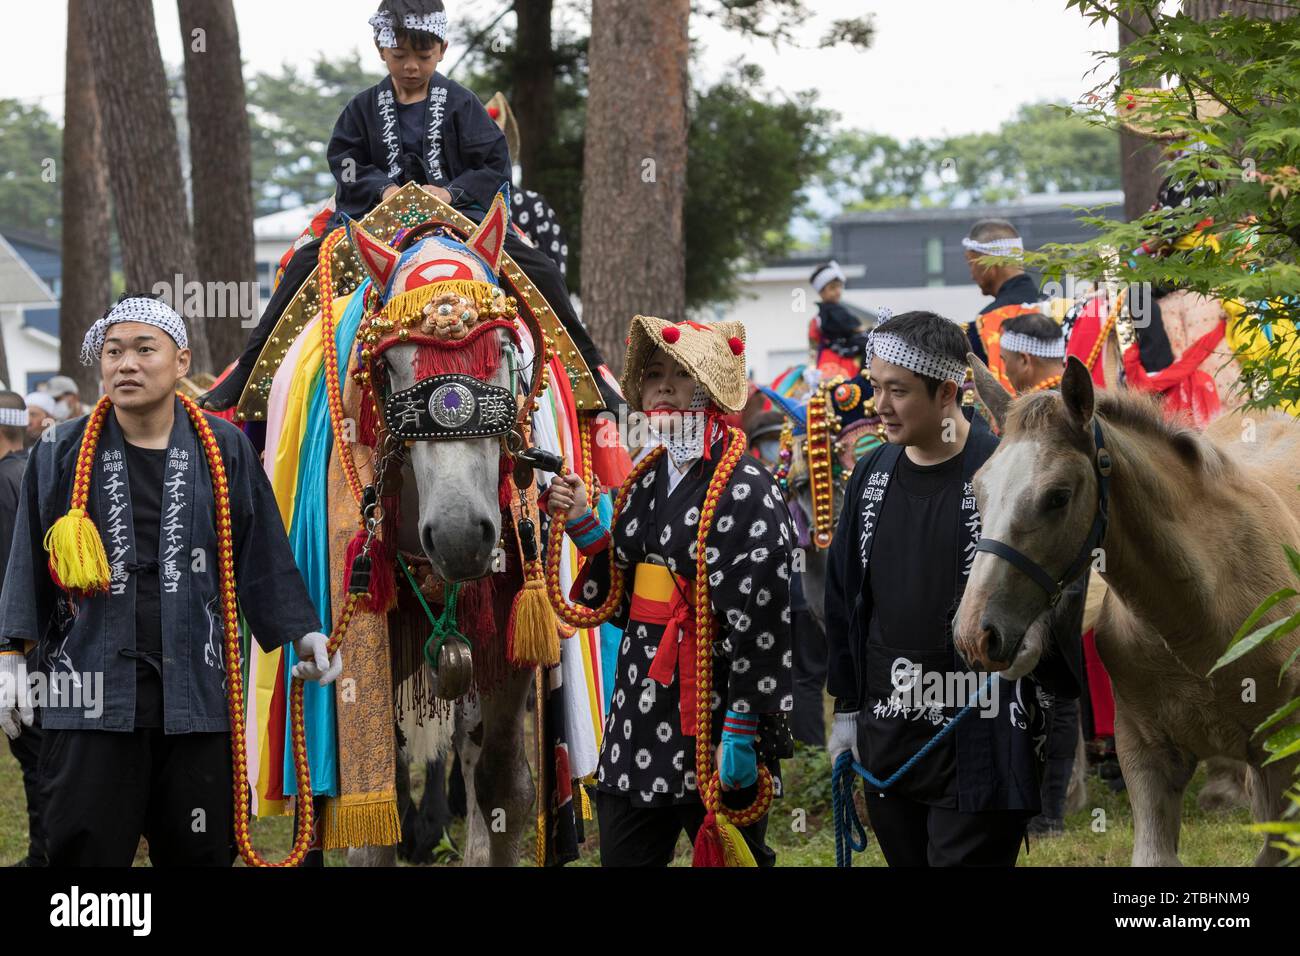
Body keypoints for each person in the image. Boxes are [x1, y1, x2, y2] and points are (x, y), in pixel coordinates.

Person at [0, 293, 341, 867]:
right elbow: (26, 564)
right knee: (83, 852)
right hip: (86, 692)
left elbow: (262, 553)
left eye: (143, 350)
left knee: (201, 850)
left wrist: (301, 631)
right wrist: (10, 657)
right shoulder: (59, 448)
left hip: (198, 696)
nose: (125, 364)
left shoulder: (223, 447)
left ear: (181, 362)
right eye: (113, 352)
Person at [199, 0, 618, 417]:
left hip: (460, 221)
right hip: (377, 220)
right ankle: (249, 371)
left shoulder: (462, 104)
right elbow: (343, 161)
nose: (412, 66)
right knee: (305, 263)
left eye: (424, 56)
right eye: (400, 56)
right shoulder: (361, 108)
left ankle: (592, 374)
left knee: (539, 267)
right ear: (381, 50)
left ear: (443, 49)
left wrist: (451, 193)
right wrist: (380, 189)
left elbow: (494, 166)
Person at [824, 310, 1080, 866]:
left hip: (981, 727)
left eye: (898, 390)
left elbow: (1057, 581)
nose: (880, 406)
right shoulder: (873, 475)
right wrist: (848, 711)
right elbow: (845, 596)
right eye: (876, 387)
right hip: (891, 722)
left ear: (947, 392)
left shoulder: (1001, 468)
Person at [547, 317, 794, 866]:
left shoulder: (748, 485)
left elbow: (764, 618)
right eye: (653, 374)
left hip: (713, 710)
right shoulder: (646, 475)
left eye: (678, 375)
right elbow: (623, 601)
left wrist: (742, 725)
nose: (660, 386)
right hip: (639, 707)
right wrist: (585, 521)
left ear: (707, 390)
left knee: (732, 856)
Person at [0, 392, 42, 865]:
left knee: (34, 757)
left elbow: (9, 575)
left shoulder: (3, 480)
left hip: (19, 648)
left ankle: (44, 855)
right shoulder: (26, 470)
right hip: (35, 642)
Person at [808, 261, 871, 378]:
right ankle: (865, 379)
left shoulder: (823, 311)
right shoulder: (833, 310)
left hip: (837, 346)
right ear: (821, 292)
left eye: (839, 287)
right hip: (842, 346)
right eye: (832, 288)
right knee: (870, 345)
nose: (837, 291)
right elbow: (856, 328)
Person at [998, 312, 1066, 395]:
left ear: (1024, 360)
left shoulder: (1045, 405)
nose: (1006, 373)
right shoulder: (1080, 388)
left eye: (1005, 360)